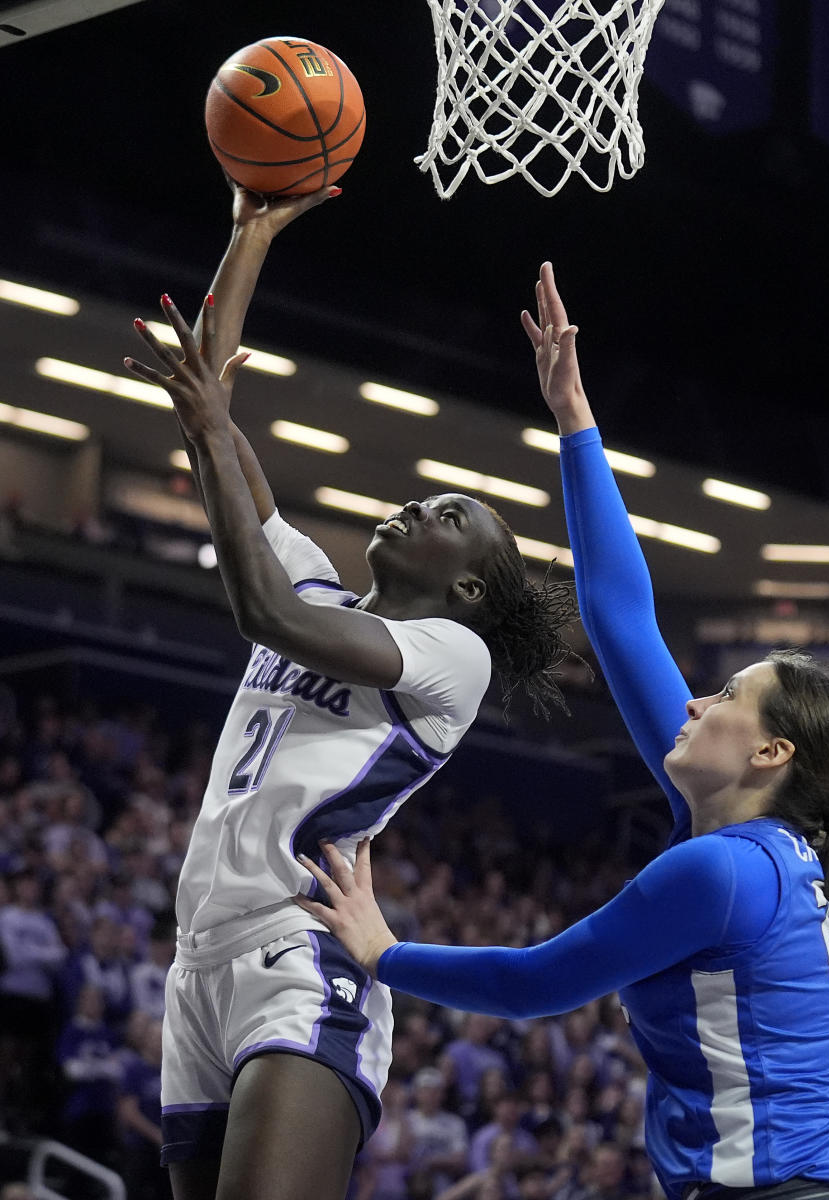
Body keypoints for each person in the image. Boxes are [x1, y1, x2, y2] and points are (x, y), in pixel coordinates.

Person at [293, 263, 829, 1200]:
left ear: (770, 753)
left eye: (723, 696)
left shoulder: (720, 870)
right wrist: (575, 417)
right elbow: (621, 617)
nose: (695, 703)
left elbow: (535, 984)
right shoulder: (756, 850)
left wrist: (386, 954)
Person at [122, 195, 576, 1200]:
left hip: (301, 956)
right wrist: (250, 234)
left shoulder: (450, 657)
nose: (418, 502)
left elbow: (268, 616)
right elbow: (214, 407)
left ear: (466, 586)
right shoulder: (315, 579)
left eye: (449, 514)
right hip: (197, 964)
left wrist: (206, 422)